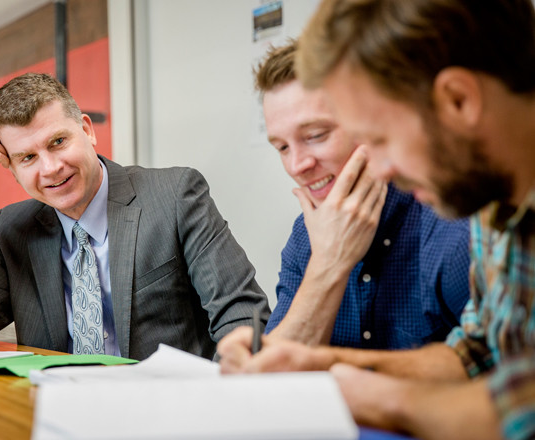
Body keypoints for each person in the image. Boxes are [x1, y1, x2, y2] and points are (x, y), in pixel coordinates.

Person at [218, 0, 535, 439]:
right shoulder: (492, 205)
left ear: (459, 101)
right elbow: (475, 356)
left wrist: (362, 392)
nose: (382, 168)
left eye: (378, 137)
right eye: (282, 147)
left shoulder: (456, 208)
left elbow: (519, 406)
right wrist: (321, 364)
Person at [0, 72, 270, 361]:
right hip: (61, 413)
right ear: (10, 168)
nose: (51, 168)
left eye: (58, 141)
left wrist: (224, 395)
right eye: (27, 158)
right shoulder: (16, 229)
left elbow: (241, 314)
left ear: (87, 130)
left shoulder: (175, 195)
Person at [257, 41, 469, 349]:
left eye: (316, 136)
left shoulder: (447, 222)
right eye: (282, 147)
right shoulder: (304, 238)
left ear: (369, 123)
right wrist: (327, 264)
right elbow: (272, 379)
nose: (297, 165)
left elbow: (504, 374)